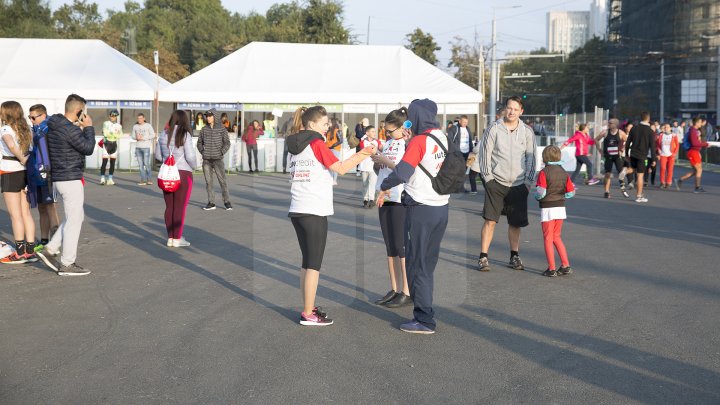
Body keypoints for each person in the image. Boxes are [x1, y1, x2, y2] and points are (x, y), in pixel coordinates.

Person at [286, 106, 377, 326]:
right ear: (313, 124)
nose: (328, 128)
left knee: (307, 264)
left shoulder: (293, 145)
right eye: (325, 124)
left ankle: (309, 307)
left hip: (298, 207)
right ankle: (308, 313)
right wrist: (364, 153)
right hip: (314, 208)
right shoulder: (317, 143)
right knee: (313, 265)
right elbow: (342, 168)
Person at [376, 98, 450, 334]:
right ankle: (425, 312)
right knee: (427, 264)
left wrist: (385, 184)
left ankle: (424, 319)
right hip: (441, 206)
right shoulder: (441, 135)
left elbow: (403, 172)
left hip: (420, 208)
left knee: (417, 265)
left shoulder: (419, 141)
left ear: (417, 117)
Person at [36, 94, 95, 276]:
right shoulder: (70, 130)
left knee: (76, 217)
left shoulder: (55, 125)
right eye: (83, 112)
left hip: (60, 178)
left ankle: (51, 248)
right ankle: (67, 264)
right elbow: (88, 148)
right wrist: (89, 128)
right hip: (70, 178)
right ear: (79, 111)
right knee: (74, 220)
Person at [477, 96, 537, 272]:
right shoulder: (493, 129)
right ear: (505, 109)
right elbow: (484, 155)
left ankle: (514, 255)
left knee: (515, 223)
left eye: (515, 109)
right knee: (490, 221)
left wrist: (528, 182)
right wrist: (488, 179)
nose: (511, 112)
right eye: (509, 108)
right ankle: (483, 257)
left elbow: (532, 158)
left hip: (519, 184)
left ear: (521, 111)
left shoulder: (527, 132)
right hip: (496, 181)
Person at [371, 107, 411, 308]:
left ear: (402, 128)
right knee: (390, 247)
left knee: (401, 246)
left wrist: (385, 160)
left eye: (390, 131)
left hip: (399, 198)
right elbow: (384, 169)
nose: (387, 134)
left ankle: (407, 290)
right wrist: (377, 161)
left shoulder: (406, 144)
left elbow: (405, 170)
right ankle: (395, 288)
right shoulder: (387, 143)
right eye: (385, 131)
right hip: (384, 196)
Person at [0, 101, 37, 263]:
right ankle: (30, 251)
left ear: (7, 113)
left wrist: (22, 159)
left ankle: (20, 253)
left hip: (10, 171)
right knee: (25, 213)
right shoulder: (26, 128)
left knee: (15, 215)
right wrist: (26, 161)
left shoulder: (6, 129)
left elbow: (10, 144)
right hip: (25, 173)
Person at [155, 111, 198, 247]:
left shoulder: (163, 134)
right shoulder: (185, 134)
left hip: (167, 174)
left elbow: (157, 156)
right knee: (180, 207)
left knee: (170, 207)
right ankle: (177, 238)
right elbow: (190, 157)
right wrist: (195, 166)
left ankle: (170, 238)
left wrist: (167, 162)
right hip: (183, 173)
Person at [534, 145, 575, 277]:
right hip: (560, 207)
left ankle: (551, 268)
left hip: (548, 208)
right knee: (557, 236)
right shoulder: (564, 172)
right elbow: (570, 193)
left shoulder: (543, 172)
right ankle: (565, 265)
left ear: (544, 157)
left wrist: (537, 197)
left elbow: (541, 192)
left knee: (547, 237)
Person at [27, 104, 60, 249]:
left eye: (33, 117)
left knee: (51, 207)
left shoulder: (49, 129)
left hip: (48, 173)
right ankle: (45, 240)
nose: (31, 120)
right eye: (30, 117)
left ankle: (56, 242)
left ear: (43, 115)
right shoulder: (36, 128)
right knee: (41, 208)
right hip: (37, 173)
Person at [198, 108, 231, 210]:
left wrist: (221, 152)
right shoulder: (204, 129)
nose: (207, 118)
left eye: (210, 116)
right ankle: (211, 203)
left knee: (222, 181)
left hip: (218, 159)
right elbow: (199, 143)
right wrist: (203, 152)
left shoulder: (222, 128)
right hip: (206, 160)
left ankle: (227, 202)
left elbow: (227, 143)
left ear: (214, 116)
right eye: (207, 116)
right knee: (209, 182)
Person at [624, 112, 656, 202]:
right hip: (642, 156)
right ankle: (639, 196)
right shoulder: (650, 131)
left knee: (633, 169)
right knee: (640, 176)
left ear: (641, 118)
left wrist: (626, 154)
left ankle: (624, 171)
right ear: (648, 119)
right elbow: (653, 146)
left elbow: (628, 142)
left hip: (633, 154)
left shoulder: (634, 128)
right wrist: (653, 159)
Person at [594, 118, 629, 198]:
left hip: (617, 156)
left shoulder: (620, 133)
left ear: (615, 124)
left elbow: (627, 141)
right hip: (608, 156)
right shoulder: (605, 132)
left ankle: (622, 187)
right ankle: (606, 192)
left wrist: (623, 148)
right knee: (607, 174)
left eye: (610, 123)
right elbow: (596, 139)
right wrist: (599, 150)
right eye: (608, 123)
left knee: (620, 173)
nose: (608, 124)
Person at [676, 116, 709, 193]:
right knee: (699, 170)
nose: (701, 123)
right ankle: (697, 188)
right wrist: (705, 144)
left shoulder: (695, 130)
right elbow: (695, 143)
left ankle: (680, 180)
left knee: (695, 171)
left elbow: (697, 142)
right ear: (697, 123)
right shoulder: (693, 131)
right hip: (693, 152)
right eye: (700, 122)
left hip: (695, 152)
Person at [448, 115, 474, 192]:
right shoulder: (454, 128)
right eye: (464, 122)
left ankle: (460, 187)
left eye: (466, 122)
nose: (465, 124)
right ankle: (458, 187)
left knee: (464, 171)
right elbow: (449, 140)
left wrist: (471, 151)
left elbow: (470, 140)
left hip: (467, 153)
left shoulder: (468, 129)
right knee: (459, 170)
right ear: (460, 121)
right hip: (458, 153)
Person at [358, 126, 382, 208]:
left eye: (374, 131)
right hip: (364, 166)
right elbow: (361, 152)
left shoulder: (377, 142)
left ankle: (371, 199)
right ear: (367, 133)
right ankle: (365, 199)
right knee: (365, 183)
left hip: (374, 166)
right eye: (372, 131)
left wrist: (377, 151)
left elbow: (381, 150)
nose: (374, 133)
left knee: (373, 183)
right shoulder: (362, 142)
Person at [131, 113, 156, 186]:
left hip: (146, 147)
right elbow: (132, 136)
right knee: (140, 165)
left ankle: (149, 179)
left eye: (141, 118)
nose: (139, 120)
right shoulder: (135, 126)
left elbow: (153, 135)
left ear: (144, 118)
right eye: (138, 118)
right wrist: (136, 137)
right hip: (138, 147)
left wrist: (143, 138)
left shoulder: (148, 125)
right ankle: (143, 179)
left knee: (146, 163)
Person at [100, 109, 122, 185]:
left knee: (112, 163)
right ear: (109, 116)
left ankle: (110, 179)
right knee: (104, 162)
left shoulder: (119, 125)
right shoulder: (106, 123)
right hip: (106, 144)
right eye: (112, 116)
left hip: (114, 144)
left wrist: (112, 134)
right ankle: (102, 178)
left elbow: (120, 135)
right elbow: (105, 133)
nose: (113, 117)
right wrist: (114, 134)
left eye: (115, 116)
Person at [657, 123, 678, 189]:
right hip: (663, 154)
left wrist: (675, 153)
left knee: (670, 169)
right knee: (663, 168)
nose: (666, 128)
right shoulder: (661, 135)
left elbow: (677, 145)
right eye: (665, 127)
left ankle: (668, 182)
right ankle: (662, 182)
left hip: (671, 155)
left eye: (668, 127)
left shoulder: (674, 136)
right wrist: (659, 150)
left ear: (670, 128)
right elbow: (658, 144)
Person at [325, 118, 343, 185]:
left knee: (335, 164)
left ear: (333, 123)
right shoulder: (328, 131)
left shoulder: (337, 131)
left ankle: (334, 180)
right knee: (330, 165)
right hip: (328, 149)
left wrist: (332, 146)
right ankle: (331, 178)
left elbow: (340, 140)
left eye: (329, 122)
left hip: (335, 149)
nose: (328, 124)